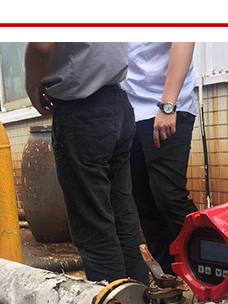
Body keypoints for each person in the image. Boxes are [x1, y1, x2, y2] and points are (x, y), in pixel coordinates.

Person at [24, 42, 148, 283]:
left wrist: (31, 86)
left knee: (94, 226)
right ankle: (139, 299)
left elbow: (40, 45)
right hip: (118, 104)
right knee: (122, 214)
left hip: (83, 111)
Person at [122, 42, 199, 274]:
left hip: (168, 106)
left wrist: (168, 104)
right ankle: (167, 277)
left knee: (169, 196)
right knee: (143, 201)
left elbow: (184, 39)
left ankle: (207, 267)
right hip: (129, 111)